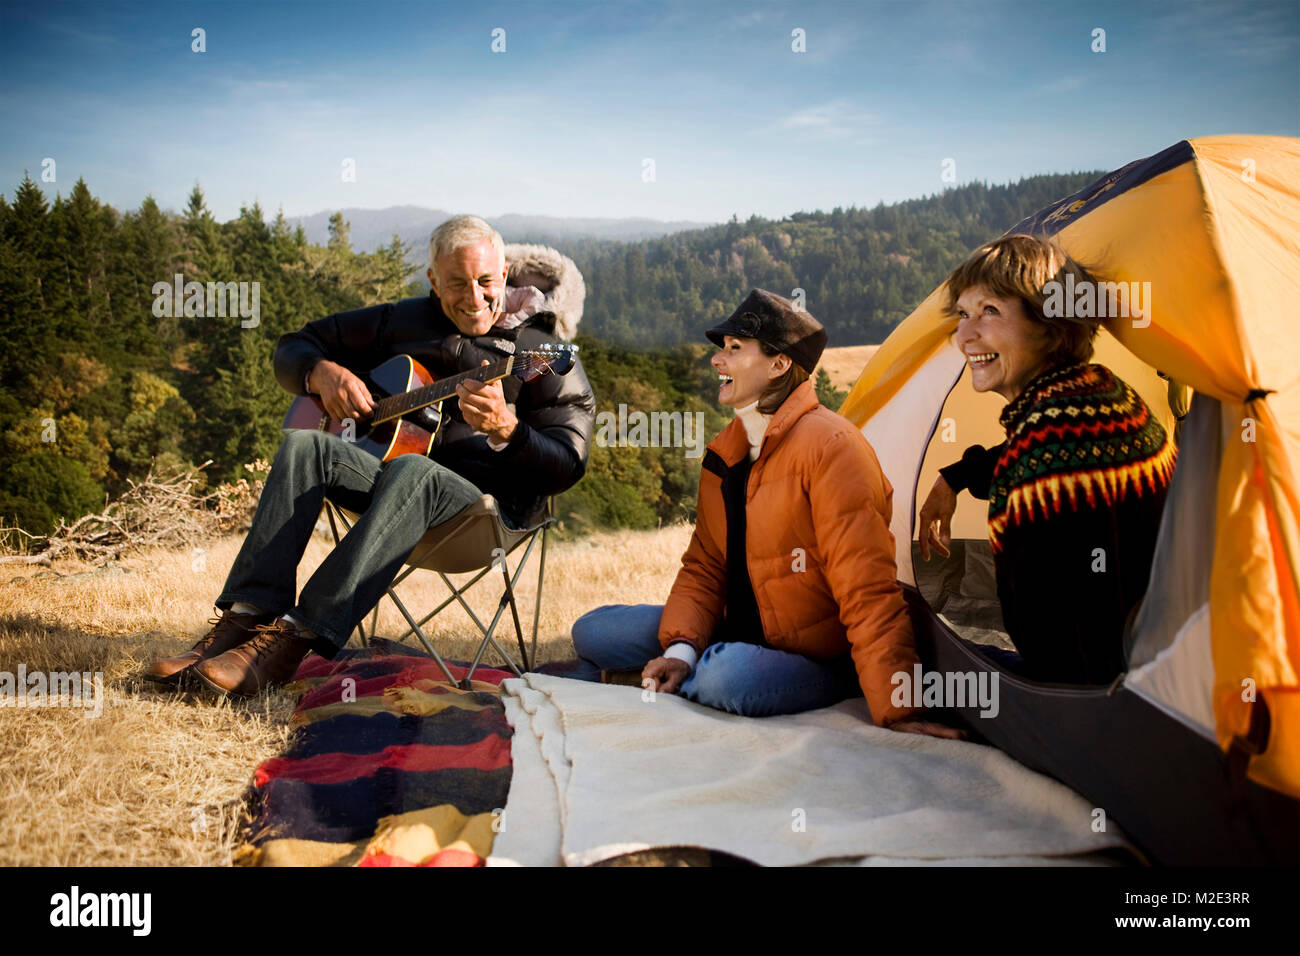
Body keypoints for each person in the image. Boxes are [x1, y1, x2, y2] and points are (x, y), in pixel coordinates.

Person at [144, 216, 595, 696]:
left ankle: (289, 640)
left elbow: (568, 461)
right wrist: (319, 373)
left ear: (504, 274)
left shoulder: (542, 349)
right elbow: (295, 344)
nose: (474, 296)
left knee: (415, 470)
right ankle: (242, 620)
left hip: (482, 516)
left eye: (485, 281)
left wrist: (509, 429)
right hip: (389, 499)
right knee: (304, 445)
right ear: (433, 281)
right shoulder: (402, 321)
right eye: (457, 284)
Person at [569, 290, 958, 737]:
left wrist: (898, 708)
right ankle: (680, 671)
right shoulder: (726, 452)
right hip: (738, 629)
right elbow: (705, 566)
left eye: (736, 349)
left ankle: (655, 678)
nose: (718, 361)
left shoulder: (832, 449)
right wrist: (681, 650)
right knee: (593, 632)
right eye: (722, 349)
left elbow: (867, 588)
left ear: (779, 365)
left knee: (726, 679)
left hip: (817, 654)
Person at [917, 234, 1176, 684]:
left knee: (911, 644)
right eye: (963, 314)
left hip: (1094, 701)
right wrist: (953, 479)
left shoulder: (1043, 459)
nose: (964, 335)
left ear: (1048, 323)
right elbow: (1035, 456)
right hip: (1156, 666)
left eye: (990, 312)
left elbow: (1062, 649)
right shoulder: (1102, 397)